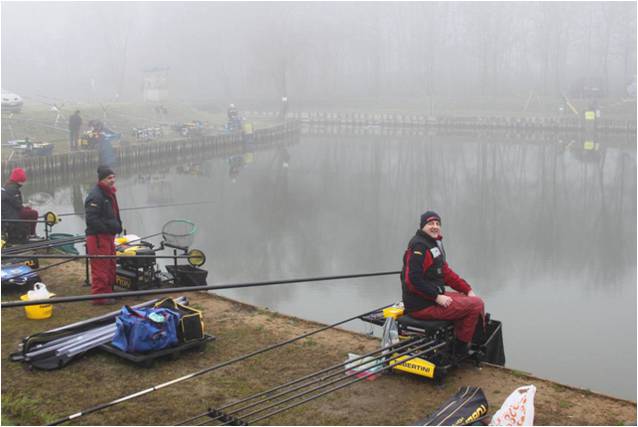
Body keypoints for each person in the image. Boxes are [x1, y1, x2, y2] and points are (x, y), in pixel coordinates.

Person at [400, 210, 484, 358]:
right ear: (422, 227)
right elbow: (412, 280)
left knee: (471, 299)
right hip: (422, 306)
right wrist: (436, 297)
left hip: (430, 298)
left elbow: (445, 273)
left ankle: (462, 340)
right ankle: (460, 349)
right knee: (476, 305)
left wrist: (467, 289)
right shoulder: (420, 246)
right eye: (430, 223)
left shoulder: (433, 244)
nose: (435, 226)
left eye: (437, 224)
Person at [84, 165, 122, 305]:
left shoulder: (109, 193)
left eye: (113, 177)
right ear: (102, 179)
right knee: (100, 267)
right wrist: (107, 228)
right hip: (98, 237)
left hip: (108, 237)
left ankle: (108, 291)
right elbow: (91, 219)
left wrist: (116, 227)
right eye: (109, 178)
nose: (112, 180)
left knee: (110, 265)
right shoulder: (96, 195)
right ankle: (99, 297)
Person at [1, 167, 39, 243]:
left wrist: (25, 206)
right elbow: (18, 206)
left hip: (6, 213)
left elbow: (14, 203)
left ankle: (29, 232)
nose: (24, 182)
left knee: (28, 210)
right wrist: (27, 205)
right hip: (11, 215)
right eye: (23, 180)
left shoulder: (7, 187)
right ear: (19, 180)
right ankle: (32, 234)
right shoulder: (14, 189)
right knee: (34, 213)